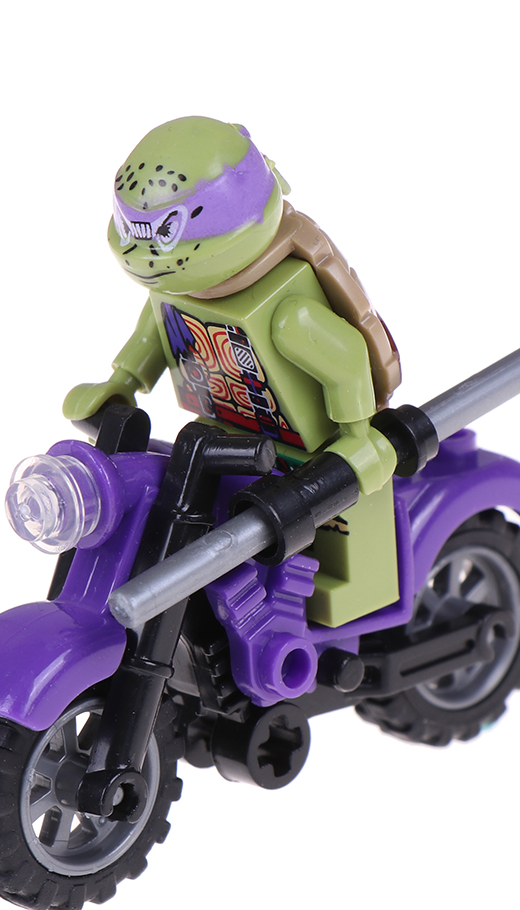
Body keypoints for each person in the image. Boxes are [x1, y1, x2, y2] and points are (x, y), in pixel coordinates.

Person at [64, 116, 402, 627]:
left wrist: (358, 436)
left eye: (164, 232)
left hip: (318, 457)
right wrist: (124, 381)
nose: (139, 254)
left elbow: (349, 358)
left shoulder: (288, 312)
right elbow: (155, 331)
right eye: (131, 230)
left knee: (341, 557)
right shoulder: (174, 292)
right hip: (223, 437)